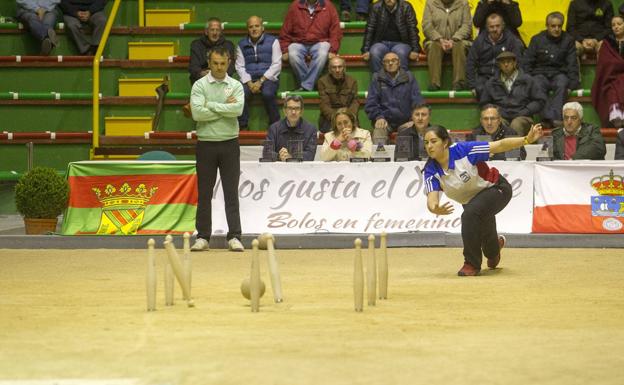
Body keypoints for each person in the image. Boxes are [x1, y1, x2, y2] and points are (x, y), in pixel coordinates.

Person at [423, 123, 544, 276]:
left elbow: (499, 145)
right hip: (474, 203)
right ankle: (494, 251)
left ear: (445, 142)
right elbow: (431, 198)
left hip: (496, 189)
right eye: (426, 143)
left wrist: (526, 139)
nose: (429, 146)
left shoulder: (464, 151)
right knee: (485, 237)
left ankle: (471, 264)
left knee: (470, 214)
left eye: (434, 141)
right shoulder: (430, 170)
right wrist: (434, 208)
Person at [189, 47, 245, 252]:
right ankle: (203, 236)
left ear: (229, 62)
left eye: (223, 63)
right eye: (215, 63)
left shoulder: (236, 85)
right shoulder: (199, 85)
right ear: (209, 63)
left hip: (230, 143)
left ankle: (235, 236)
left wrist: (210, 106)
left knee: (231, 192)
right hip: (205, 144)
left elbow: (237, 110)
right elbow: (197, 114)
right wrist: (223, 107)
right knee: (204, 193)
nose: (219, 67)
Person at [523, 12, 580, 128]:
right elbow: (527, 62)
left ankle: (552, 119)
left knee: (562, 83)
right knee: (537, 84)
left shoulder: (568, 40)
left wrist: (572, 85)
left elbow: (572, 63)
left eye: (559, 26)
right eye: (553, 26)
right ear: (547, 26)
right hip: (540, 73)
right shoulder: (537, 40)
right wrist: (527, 81)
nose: (557, 29)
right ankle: (550, 118)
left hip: (559, 73)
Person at [279, 0, 342, 91]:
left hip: (321, 42)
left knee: (322, 53)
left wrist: (333, 50)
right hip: (299, 42)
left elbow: (335, 31)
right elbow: (285, 30)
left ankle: (305, 86)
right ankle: (311, 85)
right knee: (292, 52)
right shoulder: (295, 5)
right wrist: (284, 50)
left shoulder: (328, 6)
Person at [479, 51, 546, 135]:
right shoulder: (491, 83)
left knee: (516, 124)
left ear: (515, 63)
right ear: (499, 65)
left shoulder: (528, 80)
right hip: (501, 116)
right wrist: (497, 112)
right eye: (503, 62)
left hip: (523, 116)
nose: (506, 65)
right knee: (495, 122)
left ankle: (516, 148)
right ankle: (498, 148)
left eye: (509, 62)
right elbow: (484, 103)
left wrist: (526, 110)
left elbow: (540, 100)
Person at [365, 52, 424, 144]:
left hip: (406, 121)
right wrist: (378, 117)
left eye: (393, 60)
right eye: (387, 61)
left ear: (399, 63)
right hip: (384, 121)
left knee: (408, 136)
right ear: (383, 64)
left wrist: (413, 120)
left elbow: (417, 101)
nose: (390, 63)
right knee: (378, 134)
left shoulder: (409, 77)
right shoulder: (377, 78)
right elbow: (371, 103)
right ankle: (380, 158)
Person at [235, 16, 281, 130]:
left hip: (268, 78)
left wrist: (261, 81)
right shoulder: (241, 44)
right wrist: (249, 83)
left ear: (262, 28)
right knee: (240, 94)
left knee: (268, 94)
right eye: (251, 27)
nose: (254, 29)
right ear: (247, 29)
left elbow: (276, 65)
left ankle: (275, 125)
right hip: (248, 78)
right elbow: (239, 66)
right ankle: (243, 126)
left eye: (257, 26)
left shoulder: (273, 41)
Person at [466, 13, 524, 97]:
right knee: (480, 89)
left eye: (497, 26)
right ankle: (489, 108)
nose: (495, 29)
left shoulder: (512, 41)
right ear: (486, 27)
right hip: (483, 77)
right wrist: (472, 85)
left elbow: (519, 62)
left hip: (503, 77)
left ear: (503, 26)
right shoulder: (479, 41)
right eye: (491, 27)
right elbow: (470, 63)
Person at [421, 0, 472, 91]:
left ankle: (459, 82)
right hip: (436, 40)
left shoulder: (463, 3)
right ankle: (434, 83)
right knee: (433, 45)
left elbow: (466, 26)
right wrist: (439, 39)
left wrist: (454, 39)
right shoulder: (430, 3)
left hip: (459, 40)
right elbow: (427, 25)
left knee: (459, 45)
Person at [361, 0, 421, 73]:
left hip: (402, 43)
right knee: (374, 52)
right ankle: (379, 82)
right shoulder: (376, 7)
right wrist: (366, 50)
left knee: (401, 52)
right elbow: (370, 28)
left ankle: (401, 82)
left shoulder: (406, 7)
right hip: (381, 43)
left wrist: (415, 50)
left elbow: (412, 28)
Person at [591, 14, 624, 128]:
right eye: (613, 25)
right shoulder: (607, 43)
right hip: (610, 77)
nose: (616, 27)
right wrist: (617, 64)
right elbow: (605, 64)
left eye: (619, 24)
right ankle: (616, 117)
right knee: (610, 88)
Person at [266, 95, 318, 161]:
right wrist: (279, 156)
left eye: (297, 108)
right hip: (279, 170)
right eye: (290, 108)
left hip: (301, 170)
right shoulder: (273, 129)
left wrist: (291, 156)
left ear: (301, 111)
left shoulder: (311, 130)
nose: (293, 112)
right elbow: (267, 153)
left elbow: (310, 156)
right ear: (285, 111)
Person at [317, 56, 359, 133]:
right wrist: (337, 119)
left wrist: (348, 117)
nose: (337, 70)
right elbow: (324, 105)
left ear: (344, 68)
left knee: (356, 135)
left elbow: (355, 102)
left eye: (340, 67)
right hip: (329, 118)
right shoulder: (322, 82)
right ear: (329, 69)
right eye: (334, 67)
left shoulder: (352, 81)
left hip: (348, 116)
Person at [189, 17, 236, 85]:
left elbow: (230, 68)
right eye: (212, 30)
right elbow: (193, 67)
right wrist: (203, 74)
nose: (215, 33)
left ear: (221, 32)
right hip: (202, 80)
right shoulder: (196, 45)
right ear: (206, 32)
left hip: (222, 80)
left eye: (217, 30)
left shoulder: (228, 45)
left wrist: (216, 75)